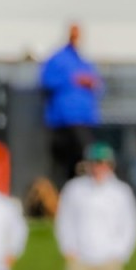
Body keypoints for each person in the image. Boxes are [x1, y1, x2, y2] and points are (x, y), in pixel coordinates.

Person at [40, 23, 102, 183]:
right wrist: (73, 80)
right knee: (64, 163)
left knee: (82, 160)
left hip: (84, 120)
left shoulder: (84, 60)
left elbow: (99, 85)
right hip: (64, 121)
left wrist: (91, 83)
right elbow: (46, 81)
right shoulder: (58, 58)